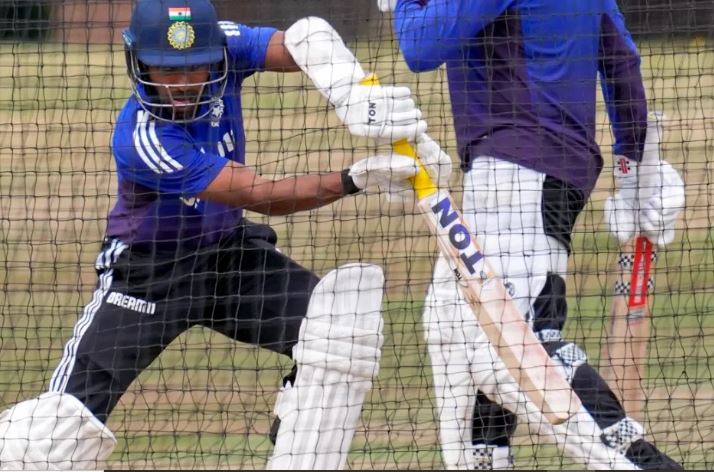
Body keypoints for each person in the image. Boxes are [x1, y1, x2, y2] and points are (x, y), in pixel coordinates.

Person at [0, 1, 447, 469]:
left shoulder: (224, 44)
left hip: (229, 258)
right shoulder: (143, 138)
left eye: (194, 68)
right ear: (138, 61)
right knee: (51, 435)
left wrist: (356, 93)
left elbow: (305, 41)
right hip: (149, 274)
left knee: (338, 328)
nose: (182, 83)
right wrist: (355, 178)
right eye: (167, 69)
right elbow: (261, 195)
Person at [377, 0, 685, 469]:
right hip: (537, 171)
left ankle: (642, 464)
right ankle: (487, 457)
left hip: (518, 170)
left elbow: (420, 45)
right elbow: (621, 61)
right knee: (450, 328)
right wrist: (636, 169)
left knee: (514, 348)